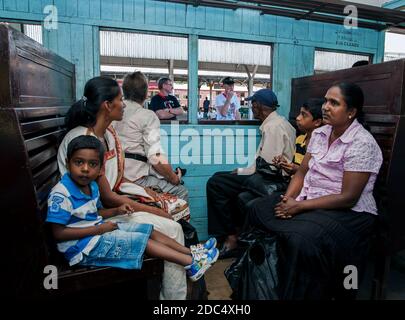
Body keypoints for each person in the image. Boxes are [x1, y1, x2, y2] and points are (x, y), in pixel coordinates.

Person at [248, 82, 383, 299]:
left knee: (301, 237)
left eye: (334, 103)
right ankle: (273, 283)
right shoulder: (320, 134)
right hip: (311, 198)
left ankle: (305, 291)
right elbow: (301, 173)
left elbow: (348, 197)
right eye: (326, 100)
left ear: (351, 112)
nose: (326, 107)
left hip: (349, 211)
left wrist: (299, 206)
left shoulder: (362, 143)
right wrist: (287, 199)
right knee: (257, 209)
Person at [57, 76, 187, 299]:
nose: (124, 104)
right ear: (107, 106)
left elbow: (117, 179)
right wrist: (153, 208)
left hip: (105, 208)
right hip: (93, 219)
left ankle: (183, 276)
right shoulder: (86, 144)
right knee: (172, 227)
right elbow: (107, 197)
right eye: (119, 99)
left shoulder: (108, 134)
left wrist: (148, 195)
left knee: (170, 219)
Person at [47, 135, 218, 282]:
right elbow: (58, 233)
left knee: (147, 230)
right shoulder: (61, 194)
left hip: (95, 234)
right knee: (142, 242)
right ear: (68, 163)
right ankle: (190, 263)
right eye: (79, 162)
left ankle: (192, 252)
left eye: (92, 164)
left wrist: (116, 211)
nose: (85, 169)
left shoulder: (91, 186)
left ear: (100, 169)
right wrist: (98, 229)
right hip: (81, 249)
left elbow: (94, 213)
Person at [206, 89, 296, 259]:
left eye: (253, 103)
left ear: (258, 105)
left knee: (216, 183)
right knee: (220, 178)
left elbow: (267, 166)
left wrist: (241, 171)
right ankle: (233, 234)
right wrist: (240, 171)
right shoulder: (279, 123)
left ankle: (230, 238)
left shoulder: (273, 127)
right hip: (268, 174)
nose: (251, 107)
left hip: (271, 178)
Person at [113, 71, 189, 203]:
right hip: (135, 178)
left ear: (124, 91)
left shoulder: (113, 112)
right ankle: (172, 224)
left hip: (113, 175)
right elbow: (155, 157)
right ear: (145, 93)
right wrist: (174, 178)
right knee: (181, 191)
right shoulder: (147, 116)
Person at [272, 98, 324, 176]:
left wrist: (297, 170)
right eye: (300, 113)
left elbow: (320, 175)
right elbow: (295, 165)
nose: (298, 118)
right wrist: (284, 163)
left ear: (317, 122)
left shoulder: (323, 145)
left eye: (304, 115)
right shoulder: (300, 140)